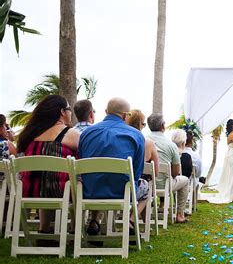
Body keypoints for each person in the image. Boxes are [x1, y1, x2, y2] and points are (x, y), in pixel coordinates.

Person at [79, 98, 145, 236]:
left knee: (100, 177)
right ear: (125, 116)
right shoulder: (136, 135)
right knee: (145, 187)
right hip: (121, 192)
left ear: (106, 112)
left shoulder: (86, 134)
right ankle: (130, 221)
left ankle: (94, 220)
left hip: (89, 191)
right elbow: (137, 172)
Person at [16, 95, 79, 237]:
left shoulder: (30, 135)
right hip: (60, 192)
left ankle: (44, 229)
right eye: (69, 109)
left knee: (44, 177)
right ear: (62, 112)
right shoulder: (71, 134)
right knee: (78, 180)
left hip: (29, 191)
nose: (71, 112)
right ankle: (74, 230)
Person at [147, 114, 189, 223]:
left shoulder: (143, 140)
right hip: (164, 184)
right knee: (185, 180)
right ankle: (180, 214)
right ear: (162, 126)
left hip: (146, 184)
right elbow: (176, 172)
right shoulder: (171, 145)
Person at [125, 109, 160, 205]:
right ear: (140, 125)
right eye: (143, 124)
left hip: (117, 186)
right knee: (146, 187)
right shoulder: (148, 143)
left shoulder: (121, 140)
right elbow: (156, 172)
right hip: (136, 188)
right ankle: (133, 218)